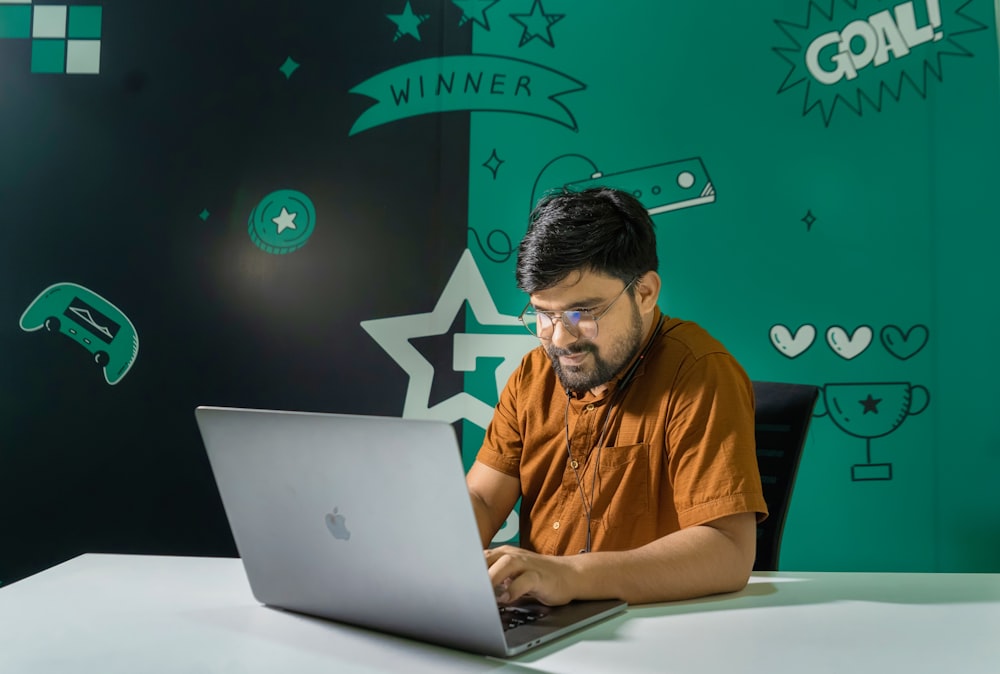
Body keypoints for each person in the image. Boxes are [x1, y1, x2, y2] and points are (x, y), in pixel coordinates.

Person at [466, 186, 767, 606]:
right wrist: (429, 555)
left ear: (644, 293)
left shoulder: (700, 371)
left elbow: (729, 552)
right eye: (543, 313)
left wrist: (568, 575)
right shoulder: (533, 375)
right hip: (539, 617)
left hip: (651, 629)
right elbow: (481, 497)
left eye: (581, 313)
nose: (558, 338)